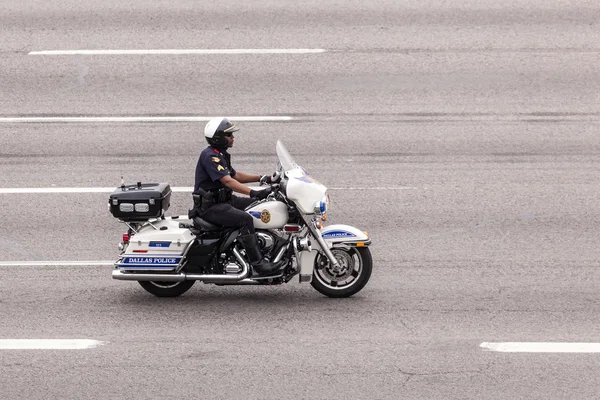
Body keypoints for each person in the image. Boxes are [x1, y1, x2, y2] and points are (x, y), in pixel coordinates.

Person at [191, 117, 279, 276]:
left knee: (261, 205)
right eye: (229, 135)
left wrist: (263, 178)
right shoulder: (210, 157)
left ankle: (263, 248)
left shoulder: (219, 154)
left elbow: (235, 175)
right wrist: (253, 192)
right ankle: (258, 264)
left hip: (225, 200)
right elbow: (228, 181)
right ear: (218, 137)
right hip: (211, 207)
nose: (233, 138)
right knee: (245, 219)